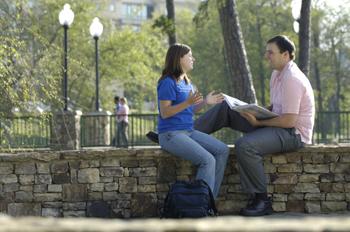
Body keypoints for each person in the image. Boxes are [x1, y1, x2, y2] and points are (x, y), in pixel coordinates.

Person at [147, 35, 315, 216]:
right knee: (226, 107)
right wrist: (254, 111)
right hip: (274, 124)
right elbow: (277, 108)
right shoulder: (277, 75)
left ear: (286, 54)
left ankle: (261, 199)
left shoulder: (292, 78)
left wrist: (258, 121)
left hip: (292, 133)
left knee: (245, 145)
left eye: (270, 52)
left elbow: (289, 120)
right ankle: (179, 138)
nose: (267, 56)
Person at [157, 43, 229, 199]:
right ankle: (200, 204)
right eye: (189, 56)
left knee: (223, 150)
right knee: (207, 160)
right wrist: (187, 103)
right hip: (170, 134)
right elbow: (165, 112)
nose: (193, 59)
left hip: (188, 132)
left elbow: (189, 109)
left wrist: (204, 103)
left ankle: (209, 201)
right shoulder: (167, 82)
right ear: (179, 59)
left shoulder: (187, 82)